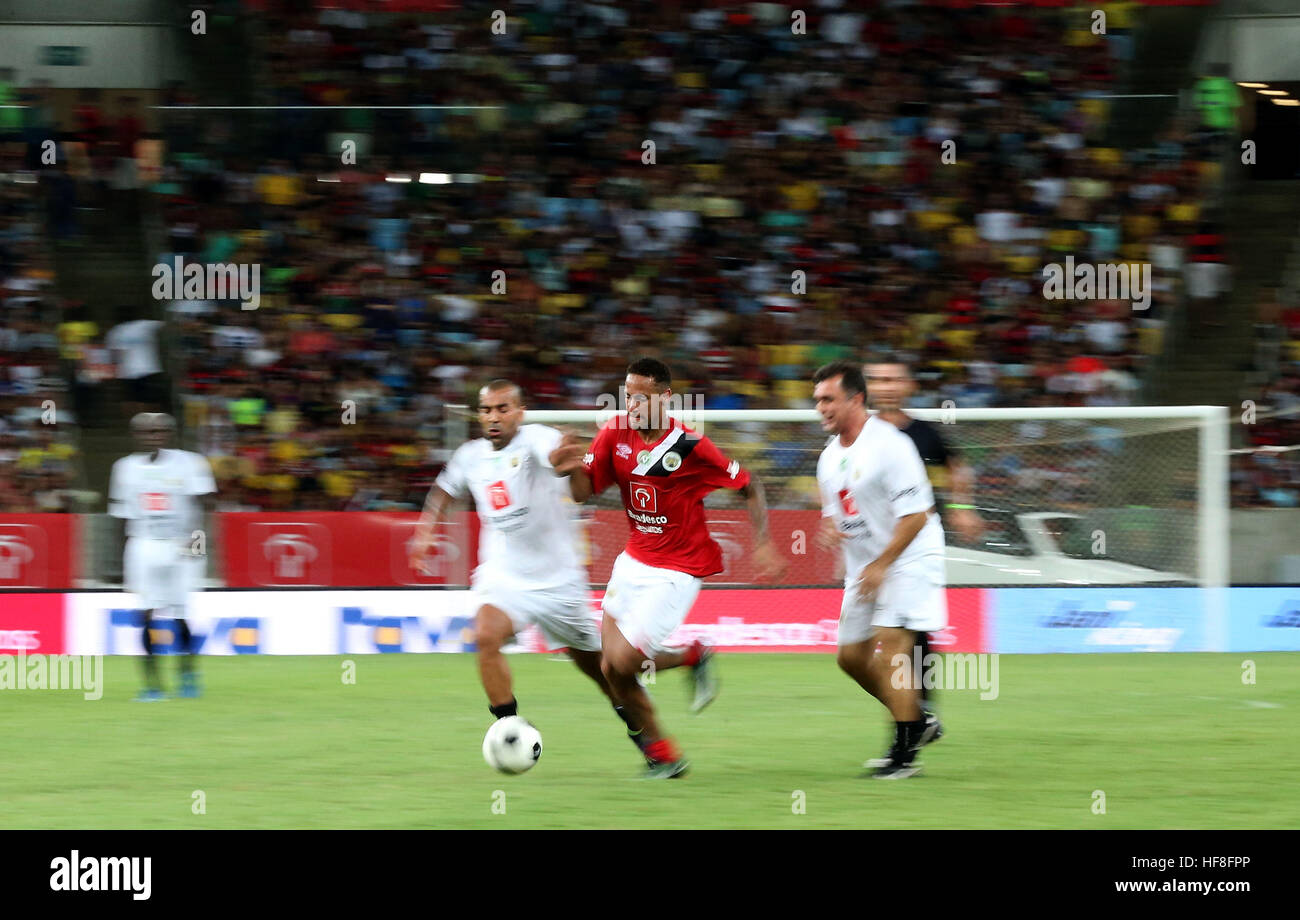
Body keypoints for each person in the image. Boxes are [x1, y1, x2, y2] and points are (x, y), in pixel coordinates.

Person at [550, 357, 785, 778]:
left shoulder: (691, 446)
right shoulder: (614, 434)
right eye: (627, 396)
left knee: (622, 663)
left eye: (641, 397)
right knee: (609, 668)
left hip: (677, 570)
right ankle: (662, 755)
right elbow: (584, 493)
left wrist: (764, 543)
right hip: (632, 561)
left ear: (665, 398)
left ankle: (693, 654)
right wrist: (570, 469)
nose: (632, 405)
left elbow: (751, 486)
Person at [408, 380, 652, 766]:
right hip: (504, 579)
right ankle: (509, 729)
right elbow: (443, 492)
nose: (494, 417)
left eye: (503, 409)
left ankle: (641, 730)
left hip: (559, 582)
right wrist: (424, 533)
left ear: (519, 412)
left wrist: (565, 462)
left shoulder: (538, 439)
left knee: (602, 672)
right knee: (486, 636)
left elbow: (557, 459)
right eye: (486, 409)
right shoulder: (469, 455)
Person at [813, 361, 947, 779]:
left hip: (907, 556)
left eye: (828, 399)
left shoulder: (890, 445)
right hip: (866, 565)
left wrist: (882, 564)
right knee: (851, 658)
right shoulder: (828, 458)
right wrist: (830, 529)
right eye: (817, 400)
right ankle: (917, 721)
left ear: (856, 399)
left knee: (892, 648)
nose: (820, 408)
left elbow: (917, 516)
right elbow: (834, 514)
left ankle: (904, 755)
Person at [866, 357, 984, 731]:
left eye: (891, 379)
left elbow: (958, 467)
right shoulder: (858, 434)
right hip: (873, 545)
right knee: (898, 633)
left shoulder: (927, 432)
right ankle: (919, 715)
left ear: (908, 386)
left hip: (917, 540)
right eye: (876, 380)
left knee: (907, 630)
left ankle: (918, 714)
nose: (884, 387)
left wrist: (963, 508)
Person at [108, 413, 217, 700]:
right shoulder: (124, 468)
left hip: (180, 543)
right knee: (145, 615)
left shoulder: (191, 462)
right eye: (147, 431)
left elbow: (206, 503)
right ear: (136, 434)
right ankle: (153, 685)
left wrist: (198, 542)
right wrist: (123, 556)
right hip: (142, 543)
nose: (154, 435)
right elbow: (120, 516)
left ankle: (187, 673)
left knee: (180, 614)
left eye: (160, 430)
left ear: (171, 432)